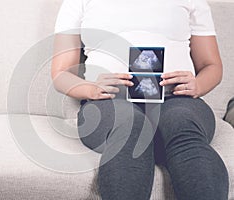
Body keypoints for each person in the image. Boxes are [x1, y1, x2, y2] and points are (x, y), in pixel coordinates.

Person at [51, 0, 229, 199]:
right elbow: (60, 74)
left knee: (181, 123)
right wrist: (91, 89)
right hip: (109, 101)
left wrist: (198, 84)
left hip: (176, 99)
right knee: (130, 126)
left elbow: (211, 66)